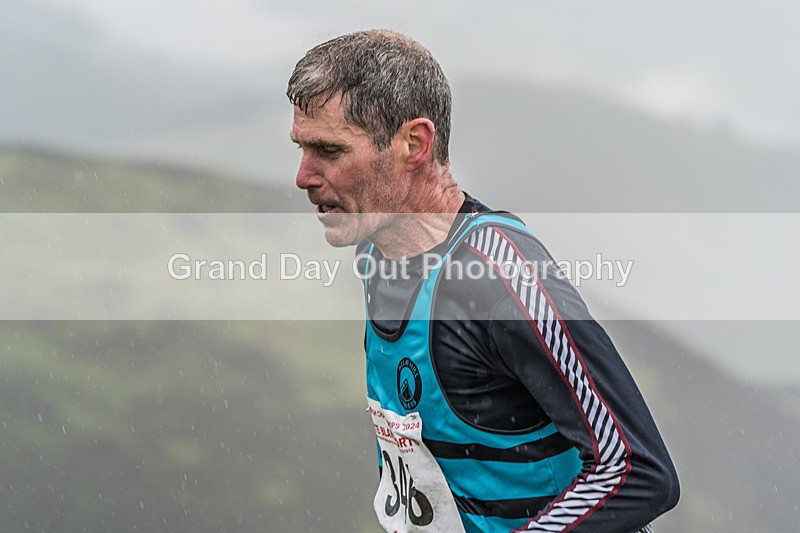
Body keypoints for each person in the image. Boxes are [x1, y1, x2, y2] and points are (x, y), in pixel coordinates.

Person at [287, 29, 679, 533]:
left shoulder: (500, 276)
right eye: (301, 147)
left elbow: (638, 470)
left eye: (329, 150)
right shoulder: (377, 250)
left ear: (415, 144)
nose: (302, 175)